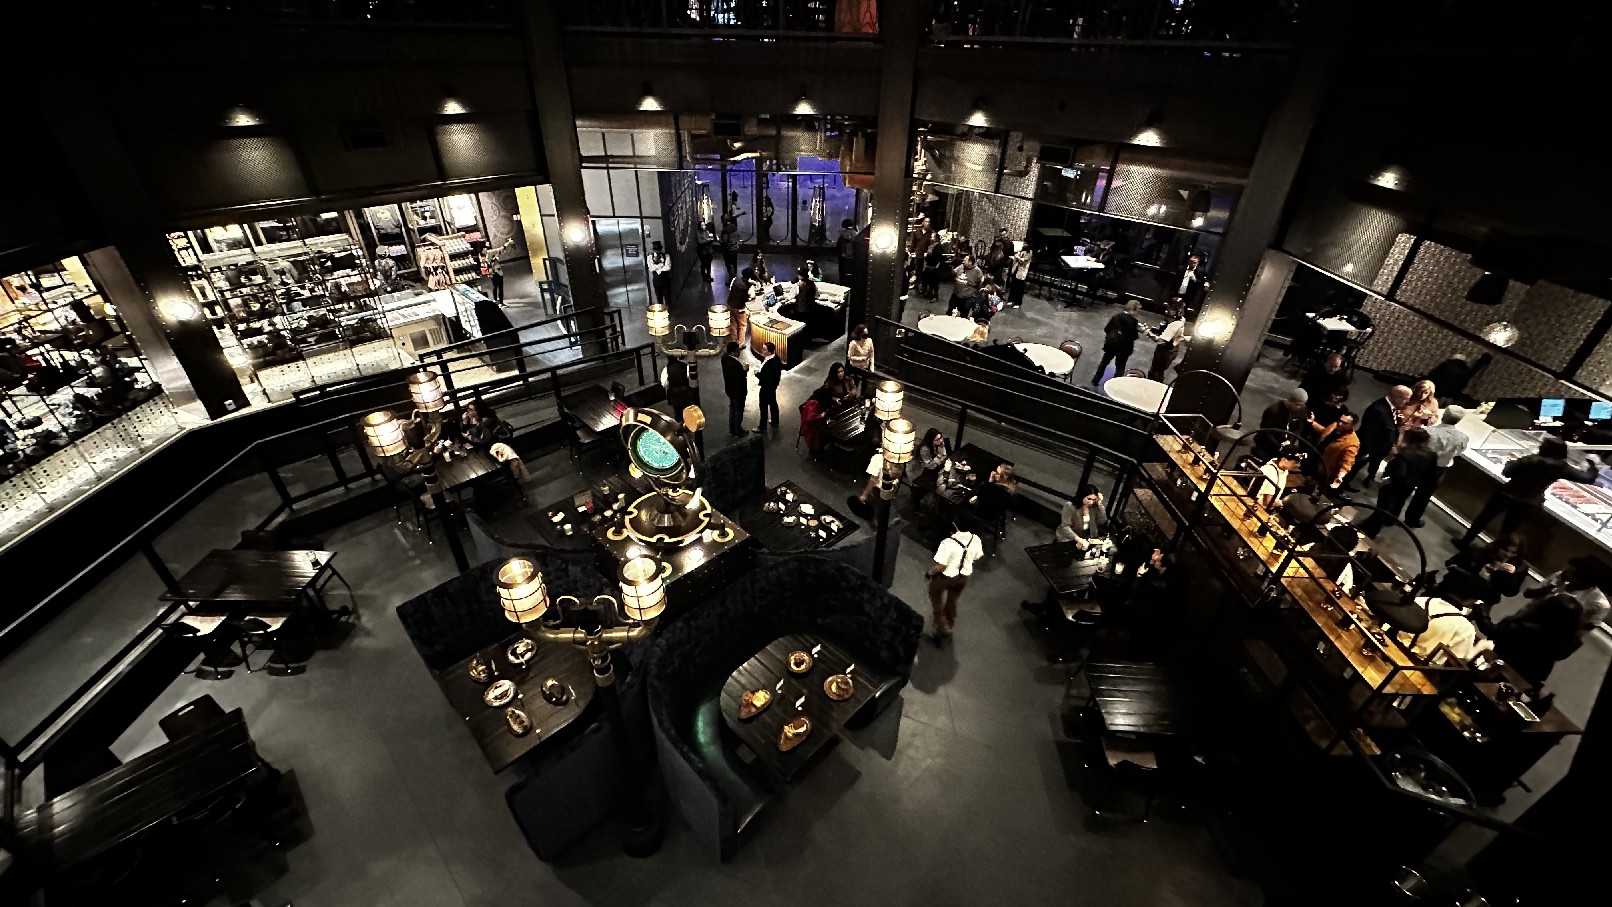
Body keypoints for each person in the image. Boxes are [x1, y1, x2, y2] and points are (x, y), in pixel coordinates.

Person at [1459, 436, 1602, 546]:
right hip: (1527, 503)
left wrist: (1511, 463)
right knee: (1507, 532)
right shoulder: (1562, 467)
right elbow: (1588, 478)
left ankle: (1465, 541)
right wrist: (1592, 465)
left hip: (1506, 494)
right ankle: (1492, 557)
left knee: (1483, 519)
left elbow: (1507, 472)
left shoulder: (1529, 460)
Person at [1490, 592, 1587, 687]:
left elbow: (1494, 634)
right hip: (1520, 684)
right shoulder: (1562, 645)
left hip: (1493, 671)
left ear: (1545, 609)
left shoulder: (1520, 628)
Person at [1358, 427, 1437, 537]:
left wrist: (1387, 479)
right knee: (1399, 503)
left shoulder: (1404, 454)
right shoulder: (1431, 455)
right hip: (1410, 485)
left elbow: (1399, 473)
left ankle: (1371, 530)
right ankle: (1390, 520)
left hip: (1394, 485)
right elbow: (1429, 473)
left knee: (1383, 508)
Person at [1405, 406, 1471, 527]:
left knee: (1405, 488)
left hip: (1420, 464)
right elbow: (1458, 453)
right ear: (1458, 420)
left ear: (1444, 416)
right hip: (1439, 468)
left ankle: (1391, 515)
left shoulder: (1428, 432)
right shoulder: (1463, 438)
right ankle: (1412, 519)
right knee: (1423, 496)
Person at [1439, 534, 1528, 620]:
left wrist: (1508, 576)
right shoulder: (1480, 552)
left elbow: (1510, 592)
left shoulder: (1519, 567)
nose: (1508, 555)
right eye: (1505, 550)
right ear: (1499, 546)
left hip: (1483, 598)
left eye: (1514, 553)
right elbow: (1451, 564)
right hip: (1460, 588)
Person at [1343, 385, 1411, 491]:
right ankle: (1338, 488)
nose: (1407, 402)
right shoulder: (1378, 410)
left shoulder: (1392, 408)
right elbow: (1367, 432)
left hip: (1377, 448)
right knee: (1352, 468)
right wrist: (1366, 452)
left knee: (1356, 469)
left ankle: (1345, 484)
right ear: (1397, 397)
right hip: (1367, 449)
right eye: (1406, 399)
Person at [1524, 556, 1612, 635]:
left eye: (1571, 573)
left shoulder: (1599, 604)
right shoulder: (1559, 578)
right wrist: (1552, 586)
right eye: (1568, 569)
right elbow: (1528, 594)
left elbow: (1589, 626)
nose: (1565, 573)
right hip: (1528, 622)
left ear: (1584, 581)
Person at [927, 522, 985, 641]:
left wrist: (929, 572)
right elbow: (976, 558)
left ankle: (941, 624)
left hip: (946, 577)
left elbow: (941, 566)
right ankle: (949, 623)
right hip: (963, 577)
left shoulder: (948, 543)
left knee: (935, 596)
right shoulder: (975, 539)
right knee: (952, 599)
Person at [1090, 300, 1143, 385]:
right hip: (1124, 348)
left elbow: (1106, 329)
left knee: (1104, 363)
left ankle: (1095, 380)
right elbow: (1134, 336)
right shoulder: (1133, 322)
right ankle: (1115, 384)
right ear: (1133, 309)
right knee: (1120, 367)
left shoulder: (1116, 317)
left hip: (1111, 345)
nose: (1138, 313)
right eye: (1138, 310)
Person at [1314, 412, 1359, 489]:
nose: (1340, 424)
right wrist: (1313, 422)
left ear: (1353, 425)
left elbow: (1348, 462)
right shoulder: (1335, 425)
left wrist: (1340, 476)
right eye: (1340, 420)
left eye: (1345, 423)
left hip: (1322, 471)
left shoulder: (1352, 442)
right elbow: (1324, 431)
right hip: (1312, 460)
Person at [1425, 353, 1491, 404]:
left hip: (1437, 390)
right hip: (1452, 394)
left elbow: (1434, 376)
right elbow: (1473, 372)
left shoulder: (1445, 364)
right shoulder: (1466, 370)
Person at [1145, 303, 1187, 382]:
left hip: (1167, 350)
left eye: (1171, 309)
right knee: (1156, 370)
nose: (1167, 311)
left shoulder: (1175, 324)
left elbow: (1160, 340)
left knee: (1156, 372)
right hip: (1170, 348)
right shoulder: (1181, 319)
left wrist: (1146, 332)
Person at [969, 462, 1017, 529]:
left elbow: (981, 496)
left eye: (997, 472)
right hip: (998, 512)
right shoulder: (1010, 489)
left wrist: (989, 482)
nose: (993, 473)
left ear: (1003, 477)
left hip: (986, 513)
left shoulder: (993, 489)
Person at [1396, 379, 1439, 452]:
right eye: (1421, 392)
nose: (1423, 395)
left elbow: (1434, 418)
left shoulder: (1432, 403)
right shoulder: (1408, 396)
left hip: (1414, 431)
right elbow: (1396, 407)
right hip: (1399, 427)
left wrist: (1427, 417)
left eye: (1426, 393)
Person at [754, 341, 783, 434]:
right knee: (773, 403)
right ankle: (775, 421)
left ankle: (762, 427)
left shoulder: (772, 363)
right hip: (772, 387)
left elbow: (766, 378)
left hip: (767, 387)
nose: (762, 351)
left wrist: (757, 374)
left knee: (763, 406)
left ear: (770, 351)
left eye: (764, 349)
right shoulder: (775, 358)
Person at [721, 341, 748, 437]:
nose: (739, 352)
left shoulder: (725, 357)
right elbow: (739, 378)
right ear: (733, 352)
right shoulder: (734, 365)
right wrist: (745, 370)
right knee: (739, 410)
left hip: (730, 390)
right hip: (738, 391)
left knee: (732, 409)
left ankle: (732, 429)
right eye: (737, 351)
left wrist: (740, 347)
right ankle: (738, 431)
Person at [1171, 252, 1208, 319]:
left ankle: (1179, 319)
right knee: (1173, 308)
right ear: (1189, 261)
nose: (1192, 264)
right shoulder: (1181, 268)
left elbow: (1202, 282)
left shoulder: (1201, 271)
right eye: (1191, 262)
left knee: (1183, 309)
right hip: (1178, 291)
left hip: (1188, 294)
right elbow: (1175, 280)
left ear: (1197, 263)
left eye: (1194, 263)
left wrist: (1195, 279)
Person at [648, 240, 671, 307]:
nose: (658, 251)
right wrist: (661, 265)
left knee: (667, 296)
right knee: (658, 296)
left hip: (665, 279)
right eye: (656, 250)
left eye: (659, 250)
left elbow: (668, 267)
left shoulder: (666, 256)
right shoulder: (650, 257)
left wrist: (656, 267)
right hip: (656, 280)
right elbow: (651, 268)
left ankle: (669, 310)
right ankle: (661, 310)